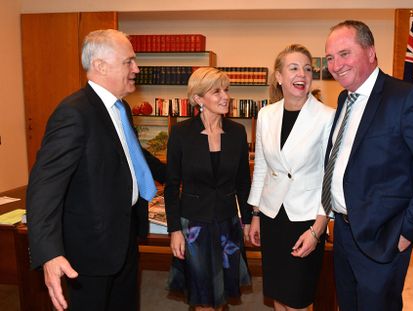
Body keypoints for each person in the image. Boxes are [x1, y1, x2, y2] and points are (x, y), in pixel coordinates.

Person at [323, 20, 413, 311]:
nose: (335, 65)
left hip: (383, 238)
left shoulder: (405, 98)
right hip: (345, 234)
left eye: (344, 53)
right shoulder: (344, 99)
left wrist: (408, 231)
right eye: (330, 58)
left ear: (371, 52)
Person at [26, 29, 166, 311]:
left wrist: (180, 171)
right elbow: (44, 188)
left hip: (124, 235)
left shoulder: (121, 107)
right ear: (101, 65)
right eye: (129, 61)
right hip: (89, 248)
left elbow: (133, 156)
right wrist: (49, 253)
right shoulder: (74, 113)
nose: (136, 69)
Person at [247, 44, 335, 310]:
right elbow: (261, 166)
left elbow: (329, 178)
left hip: (305, 219)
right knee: (277, 296)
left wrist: (318, 230)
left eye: (307, 69)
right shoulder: (266, 114)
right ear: (279, 77)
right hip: (273, 218)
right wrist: (255, 215)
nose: (302, 74)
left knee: (298, 300)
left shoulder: (326, 117)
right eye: (294, 68)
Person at [165, 67, 252, 310]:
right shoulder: (181, 133)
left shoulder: (237, 132)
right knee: (203, 297)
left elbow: (243, 181)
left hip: (227, 224)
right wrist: (175, 230)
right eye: (216, 91)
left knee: (221, 293)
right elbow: (171, 186)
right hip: (194, 227)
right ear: (198, 99)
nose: (225, 96)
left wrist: (247, 220)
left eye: (226, 90)